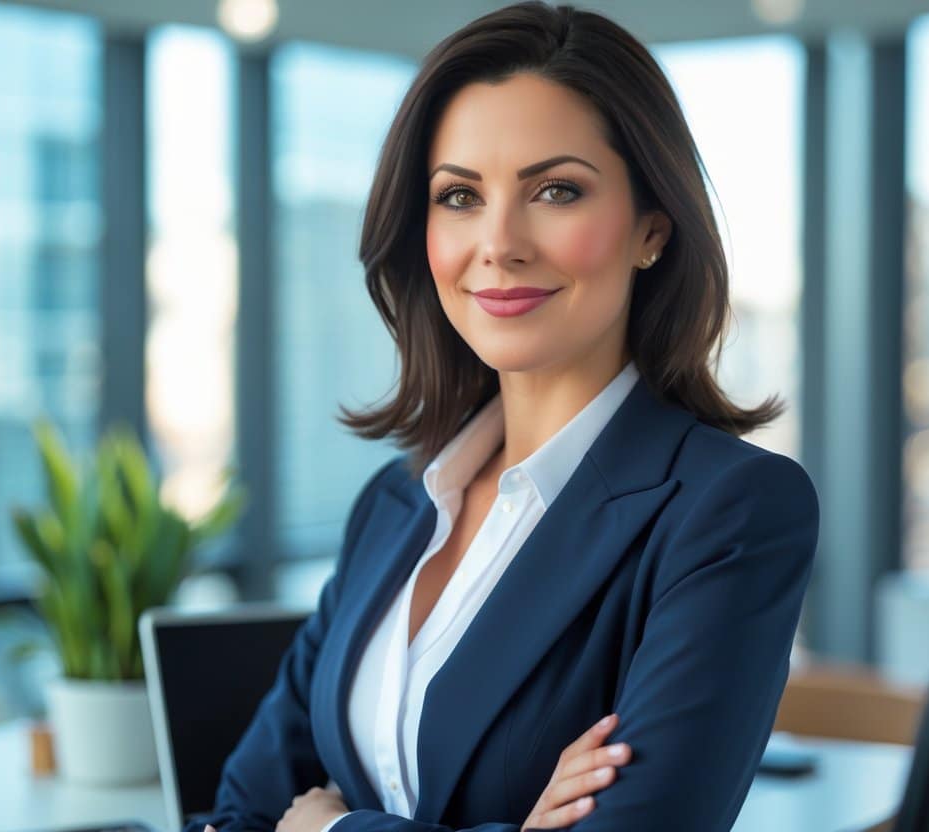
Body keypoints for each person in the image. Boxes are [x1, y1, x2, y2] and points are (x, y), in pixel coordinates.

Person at [186, 2, 819, 830]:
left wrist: (335, 827)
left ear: (651, 230)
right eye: (458, 196)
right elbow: (239, 813)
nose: (499, 243)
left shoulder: (728, 511)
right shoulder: (396, 502)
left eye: (556, 191)